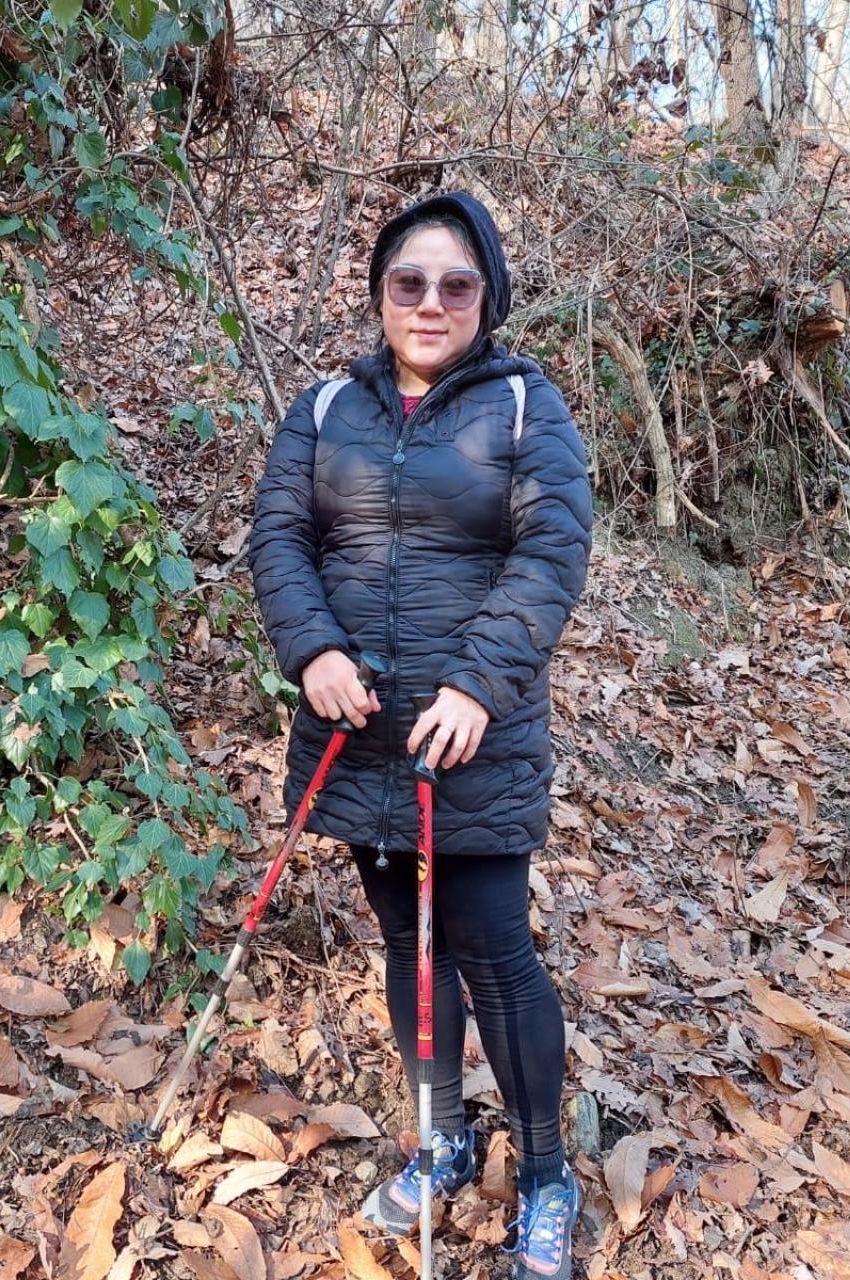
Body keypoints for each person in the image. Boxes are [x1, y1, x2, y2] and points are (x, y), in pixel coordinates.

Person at [247, 191, 592, 1279]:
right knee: (405, 943)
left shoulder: (528, 409)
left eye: (456, 284)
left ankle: (545, 1173)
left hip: (468, 747)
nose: (429, 302)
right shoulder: (322, 408)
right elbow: (278, 537)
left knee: (494, 952)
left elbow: (552, 552)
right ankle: (440, 1137)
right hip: (360, 740)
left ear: (485, 298)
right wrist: (311, 653)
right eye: (408, 282)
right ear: (377, 294)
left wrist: (481, 684)